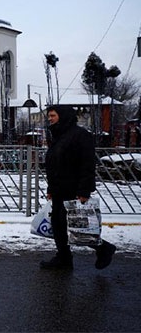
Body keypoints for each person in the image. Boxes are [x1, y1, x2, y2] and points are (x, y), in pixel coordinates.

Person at [41, 105, 116, 270]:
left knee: (75, 225)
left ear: (64, 116)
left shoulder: (81, 135)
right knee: (59, 224)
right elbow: (55, 164)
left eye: (53, 115)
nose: (50, 118)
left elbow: (87, 164)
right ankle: (64, 258)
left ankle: (103, 248)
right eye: (49, 116)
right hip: (59, 188)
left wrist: (84, 190)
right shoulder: (59, 135)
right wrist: (51, 189)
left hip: (73, 189)